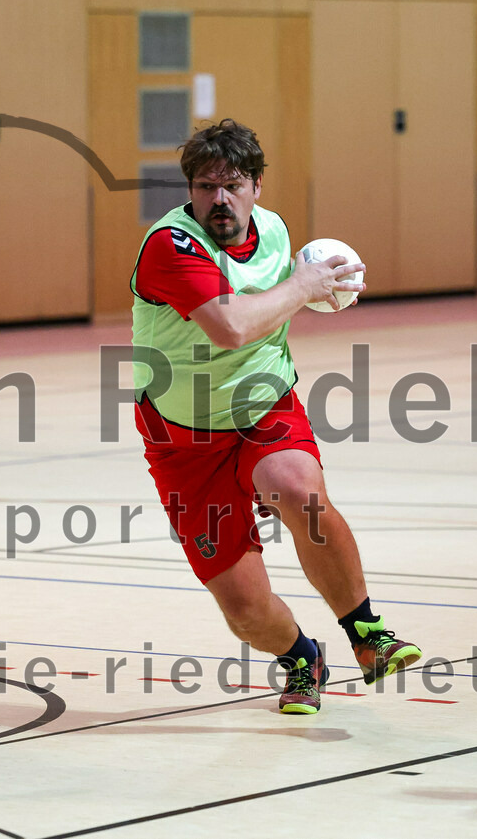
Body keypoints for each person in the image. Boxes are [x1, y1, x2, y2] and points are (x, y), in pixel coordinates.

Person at [130, 119, 421, 715]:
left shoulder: (276, 231)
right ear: (190, 191)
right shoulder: (171, 245)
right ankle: (300, 657)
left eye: (231, 185)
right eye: (205, 186)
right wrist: (306, 283)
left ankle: (367, 633)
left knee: (297, 490)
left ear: (256, 186)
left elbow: (268, 314)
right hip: (182, 441)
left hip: (264, 407)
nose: (218, 199)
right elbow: (232, 325)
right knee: (245, 612)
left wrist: (312, 285)